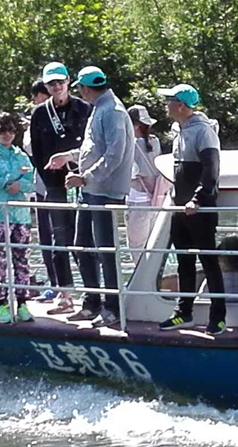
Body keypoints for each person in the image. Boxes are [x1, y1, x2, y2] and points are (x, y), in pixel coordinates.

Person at [46, 65, 134, 327]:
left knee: (106, 250)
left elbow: (114, 155)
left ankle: (113, 307)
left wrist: (84, 177)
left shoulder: (113, 111)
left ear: (85, 88)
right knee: (81, 244)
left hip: (105, 192)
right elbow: (93, 148)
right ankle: (92, 302)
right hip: (91, 191)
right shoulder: (100, 107)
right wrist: (69, 156)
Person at [155, 84, 226, 335]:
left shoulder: (203, 132)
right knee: (183, 261)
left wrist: (197, 199)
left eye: (169, 100)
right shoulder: (179, 130)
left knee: (209, 262)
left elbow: (211, 169)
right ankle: (183, 312)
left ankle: (218, 317)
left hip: (199, 209)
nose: (166, 105)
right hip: (180, 207)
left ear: (181, 106)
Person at [30, 62, 93, 314]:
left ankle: (93, 294)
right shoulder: (39, 113)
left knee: (84, 239)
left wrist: (82, 174)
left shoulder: (85, 108)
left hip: (82, 180)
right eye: (51, 83)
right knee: (59, 238)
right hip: (55, 184)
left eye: (60, 81)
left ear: (68, 81)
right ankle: (64, 295)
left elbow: (92, 146)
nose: (56, 86)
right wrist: (49, 179)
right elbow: (37, 152)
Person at [0, 112, 36, 323]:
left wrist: (20, 183)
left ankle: (22, 302)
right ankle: (0, 303)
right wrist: (16, 178)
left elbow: (32, 182)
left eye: (11, 130)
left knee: (22, 260)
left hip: (21, 215)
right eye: (2, 130)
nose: (7, 134)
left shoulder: (22, 155)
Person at [23, 79, 55, 301]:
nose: (34, 101)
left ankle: (61, 285)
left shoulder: (49, 116)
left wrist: (30, 129)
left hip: (55, 187)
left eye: (36, 96)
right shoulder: (40, 117)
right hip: (43, 187)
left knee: (56, 237)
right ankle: (56, 284)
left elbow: (29, 147)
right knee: (46, 237)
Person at [125, 104, 162, 264]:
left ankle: (140, 279)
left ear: (134, 125)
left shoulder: (129, 145)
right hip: (156, 200)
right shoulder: (155, 142)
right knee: (153, 247)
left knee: (136, 248)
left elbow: (130, 172)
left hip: (137, 201)